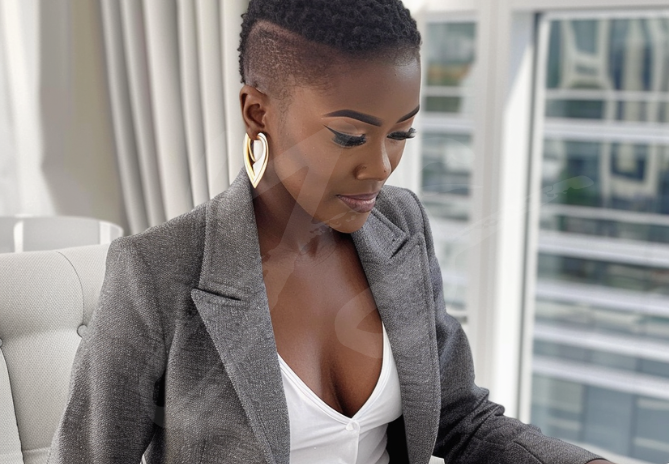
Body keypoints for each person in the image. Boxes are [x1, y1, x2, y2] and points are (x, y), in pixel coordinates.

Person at [47, 0, 615, 463]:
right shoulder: (156, 273)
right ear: (257, 113)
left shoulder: (402, 225)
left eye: (402, 134)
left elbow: (460, 420)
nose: (382, 167)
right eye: (349, 136)